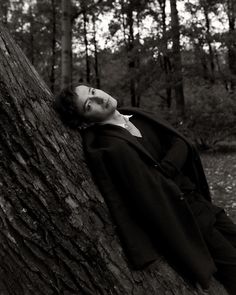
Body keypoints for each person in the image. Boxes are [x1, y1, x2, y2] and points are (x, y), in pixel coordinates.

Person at [54, 84, 236, 295]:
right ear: (84, 121)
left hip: (203, 204)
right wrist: (171, 164)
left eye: (93, 92)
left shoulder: (138, 117)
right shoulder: (110, 146)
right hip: (186, 218)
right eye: (88, 104)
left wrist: (166, 166)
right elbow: (149, 186)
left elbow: (181, 142)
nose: (99, 99)